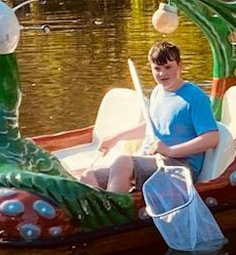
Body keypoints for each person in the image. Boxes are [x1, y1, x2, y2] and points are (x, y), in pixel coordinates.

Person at [87, 41, 221, 195]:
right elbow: (152, 127)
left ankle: (115, 212)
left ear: (180, 65)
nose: (162, 74)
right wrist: (117, 137)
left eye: (168, 67)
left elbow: (212, 138)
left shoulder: (194, 97)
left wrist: (170, 151)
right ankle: (93, 213)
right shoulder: (158, 92)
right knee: (89, 176)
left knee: (122, 162)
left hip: (178, 166)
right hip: (152, 158)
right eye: (157, 69)